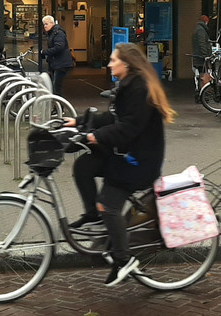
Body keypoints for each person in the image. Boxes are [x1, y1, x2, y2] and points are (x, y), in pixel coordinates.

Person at [65, 43, 175, 286]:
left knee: (109, 205)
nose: (109, 64)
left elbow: (128, 128)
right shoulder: (128, 85)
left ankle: (123, 259)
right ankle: (93, 216)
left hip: (138, 161)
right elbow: (113, 118)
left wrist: (95, 136)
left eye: (113, 60)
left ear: (126, 64)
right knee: (84, 166)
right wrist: (78, 121)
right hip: (126, 153)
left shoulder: (139, 89)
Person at [41, 14, 74, 96]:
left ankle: (59, 107)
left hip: (61, 64)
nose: (45, 26)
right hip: (57, 63)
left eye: (46, 24)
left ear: (52, 23)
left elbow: (59, 47)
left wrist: (45, 52)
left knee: (57, 87)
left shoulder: (58, 33)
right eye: (44, 24)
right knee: (55, 86)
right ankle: (58, 106)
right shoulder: (53, 33)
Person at [191, 14, 213, 101]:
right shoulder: (201, 30)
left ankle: (200, 95)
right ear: (206, 21)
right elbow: (202, 44)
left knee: (200, 76)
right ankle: (202, 95)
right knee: (203, 76)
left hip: (198, 57)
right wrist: (206, 55)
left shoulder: (198, 29)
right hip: (201, 58)